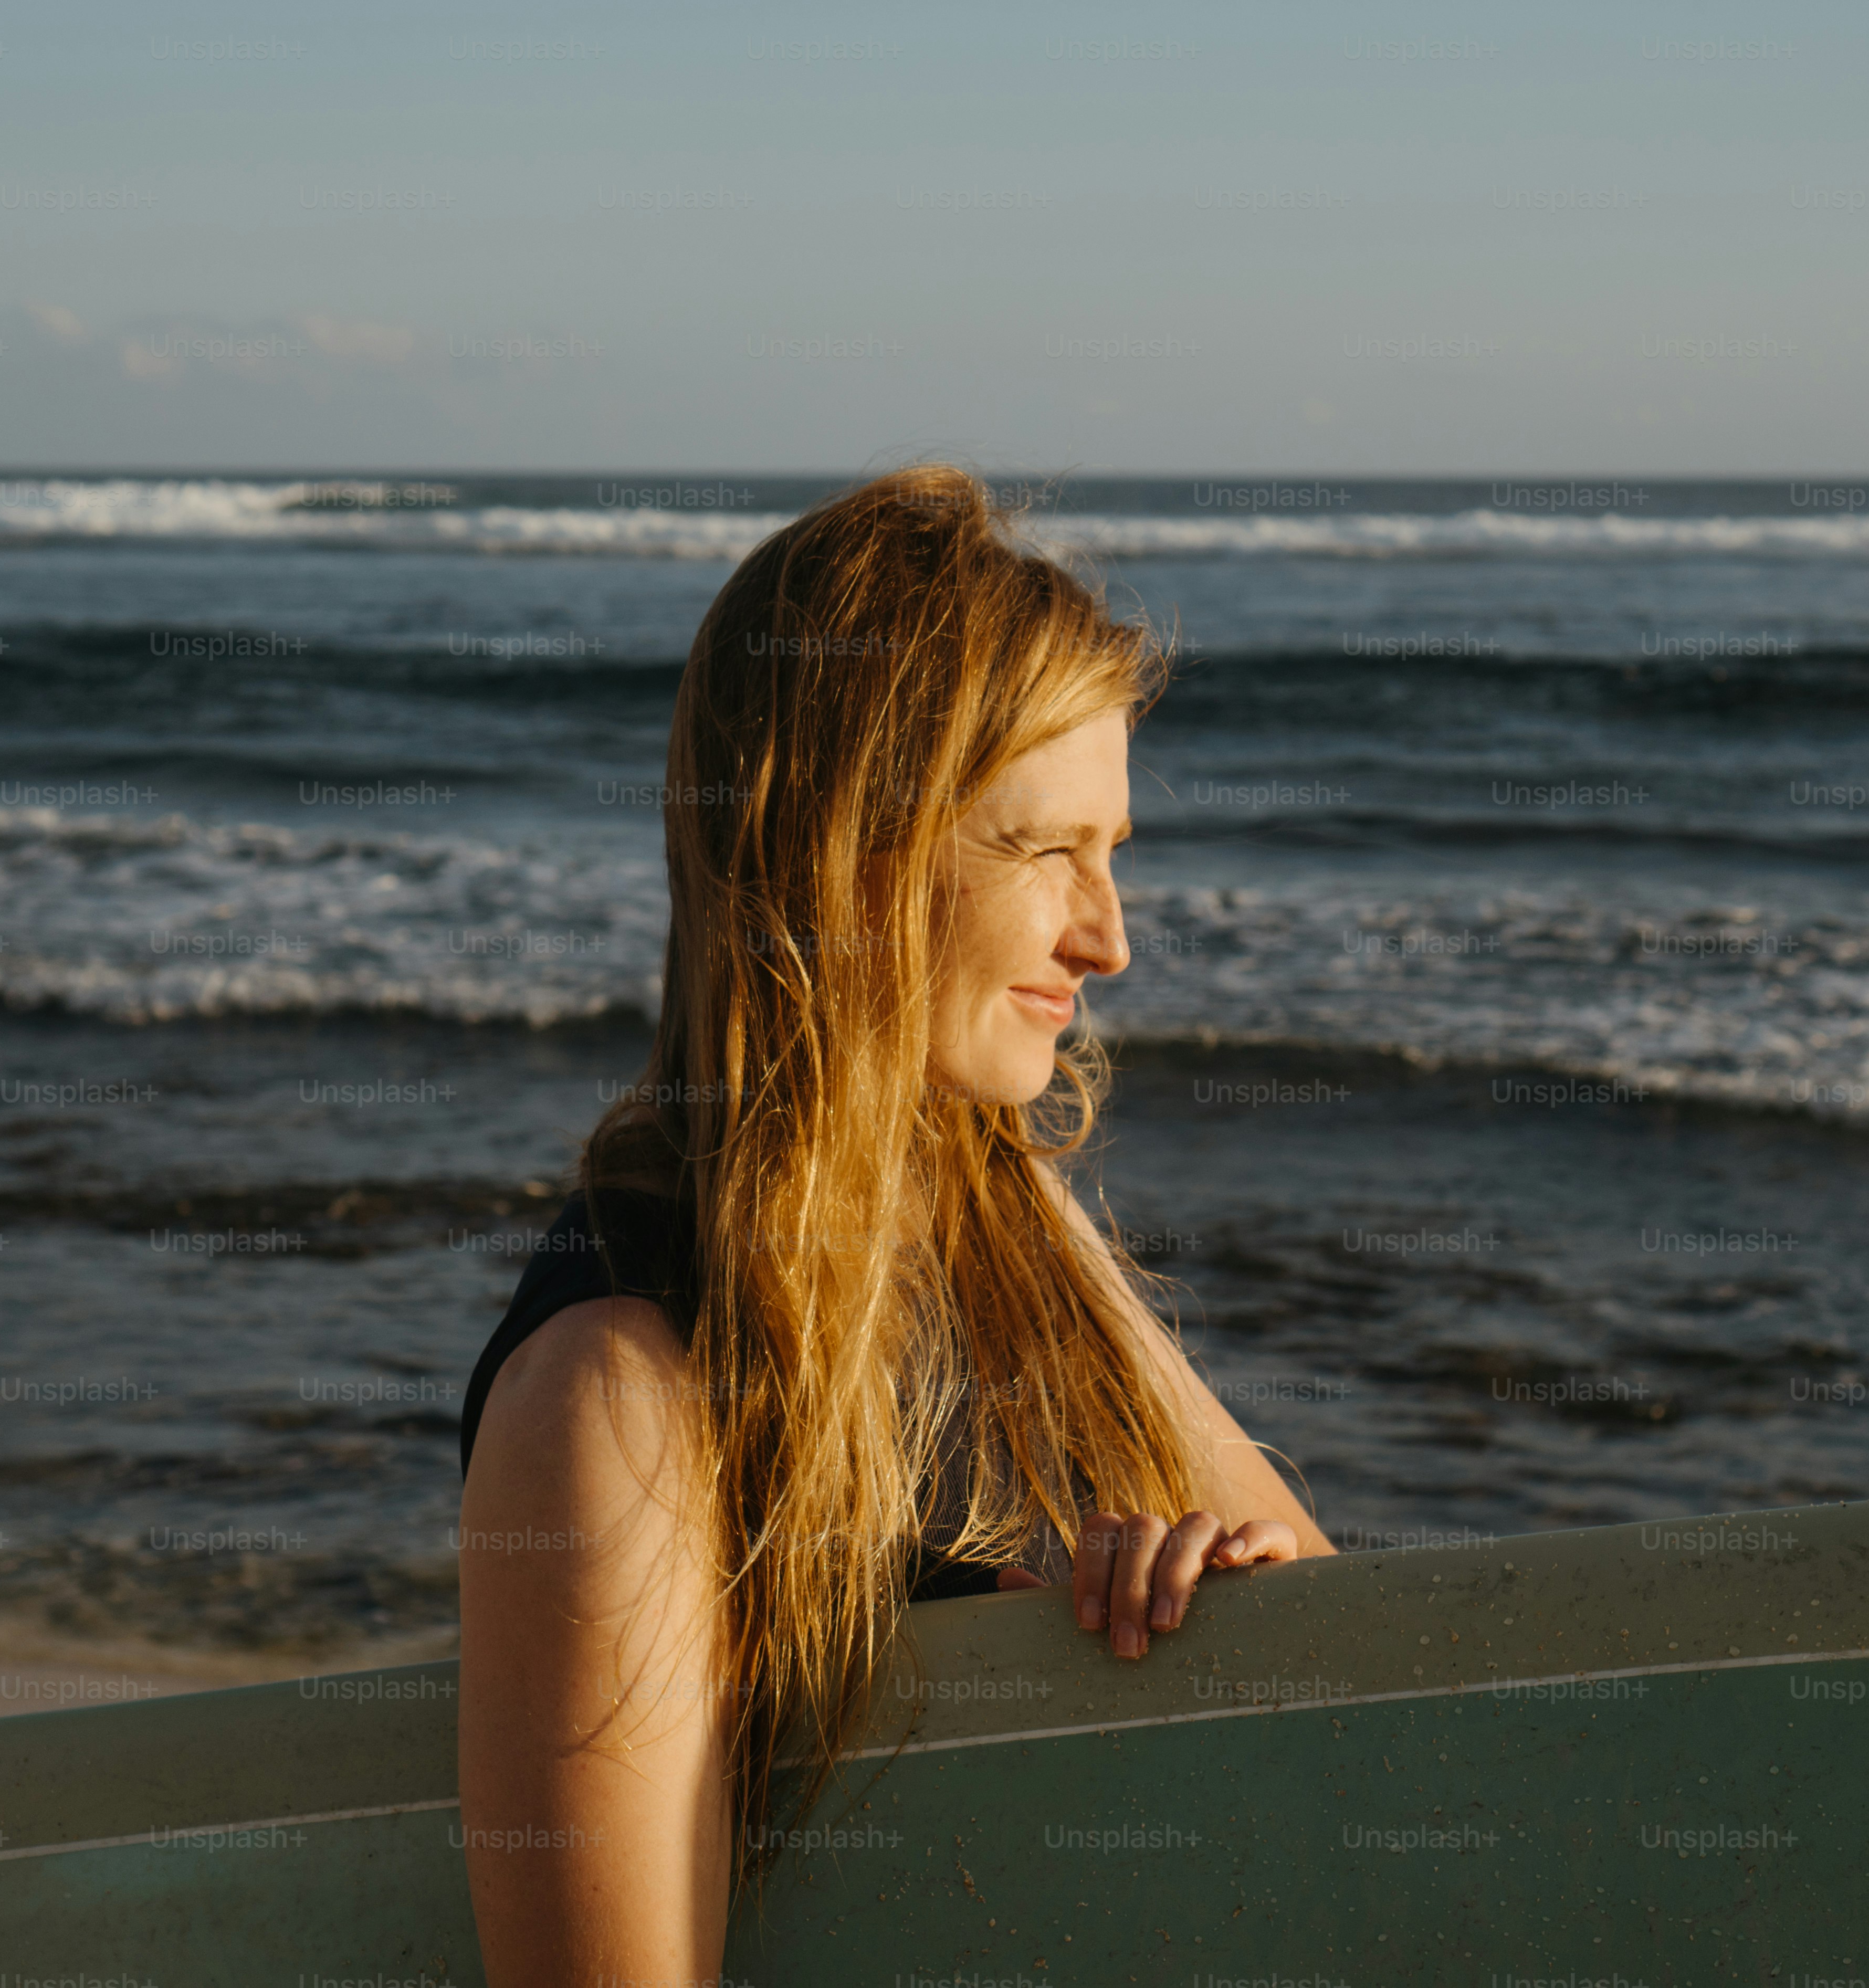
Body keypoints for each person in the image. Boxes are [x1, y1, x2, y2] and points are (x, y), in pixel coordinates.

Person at [453, 463, 1335, 1981]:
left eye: (1115, 853)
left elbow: (1369, 1656)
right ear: (857, 846)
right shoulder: (617, 1399)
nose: (1108, 938)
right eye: (1050, 846)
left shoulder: (1019, 1233)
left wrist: (1205, 1595)